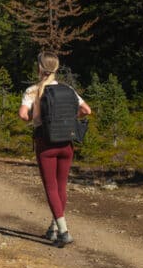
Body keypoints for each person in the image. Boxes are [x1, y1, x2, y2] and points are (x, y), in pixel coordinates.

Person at [18, 52, 91, 247]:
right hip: (67, 144)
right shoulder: (68, 89)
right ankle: (54, 228)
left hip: (46, 143)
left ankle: (64, 232)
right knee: (61, 187)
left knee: (51, 187)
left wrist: (36, 117)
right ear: (56, 68)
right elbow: (86, 110)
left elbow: (23, 115)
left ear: (39, 68)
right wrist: (68, 119)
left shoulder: (33, 91)